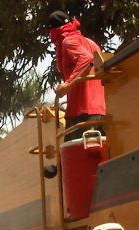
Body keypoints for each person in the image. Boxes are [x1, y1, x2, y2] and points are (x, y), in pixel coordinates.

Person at [47, 10, 106, 139]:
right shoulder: (91, 43)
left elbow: (86, 59)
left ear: (53, 30)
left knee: (74, 155)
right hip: (99, 110)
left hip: (82, 113)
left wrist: (67, 85)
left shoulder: (68, 41)